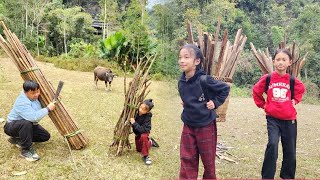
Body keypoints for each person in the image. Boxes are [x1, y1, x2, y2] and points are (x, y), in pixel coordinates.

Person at [177, 44, 230, 179]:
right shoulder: (181, 81)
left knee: (208, 160)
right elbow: (187, 97)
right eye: (180, 57)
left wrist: (216, 102)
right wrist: (186, 103)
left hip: (206, 124)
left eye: (186, 57)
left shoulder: (204, 79)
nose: (182, 60)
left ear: (197, 61)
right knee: (187, 158)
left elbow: (224, 89)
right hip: (188, 124)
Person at [252, 49, 306, 179]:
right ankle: (267, 176)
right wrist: (263, 104)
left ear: (289, 63)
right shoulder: (268, 78)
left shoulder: (292, 80)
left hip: (289, 119)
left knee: (290, 150)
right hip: (273, 119)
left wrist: (296, 100)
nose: (280, 62)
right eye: (278, 59)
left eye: (284, 60)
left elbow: (301, 89)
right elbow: (256, 91)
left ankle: (287, 176)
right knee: (272, 144)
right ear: (273, 61)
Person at [4, 80, 56, 162]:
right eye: (33, 93)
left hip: (28, 125)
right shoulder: (21, 102)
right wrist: (48, 109)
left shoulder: (35, 96)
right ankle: (26, 150)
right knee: (26, 123)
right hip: (11, 127)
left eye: (37, 91)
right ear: (25, 92)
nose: (36, 95)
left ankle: (18, 139)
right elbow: (33, 117)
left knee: (45, 136)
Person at [130, 99, 159, 165]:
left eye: (143, 109)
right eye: (140, 107)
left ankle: (146, 156)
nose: (140, 110)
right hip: (137, 134)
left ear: (147, 111)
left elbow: (143, 130)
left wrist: (134, 123)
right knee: (139, 150)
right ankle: (150, 142)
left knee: (144, 136)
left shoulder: (147, 118)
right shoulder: (135, 113)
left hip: (144, 133)